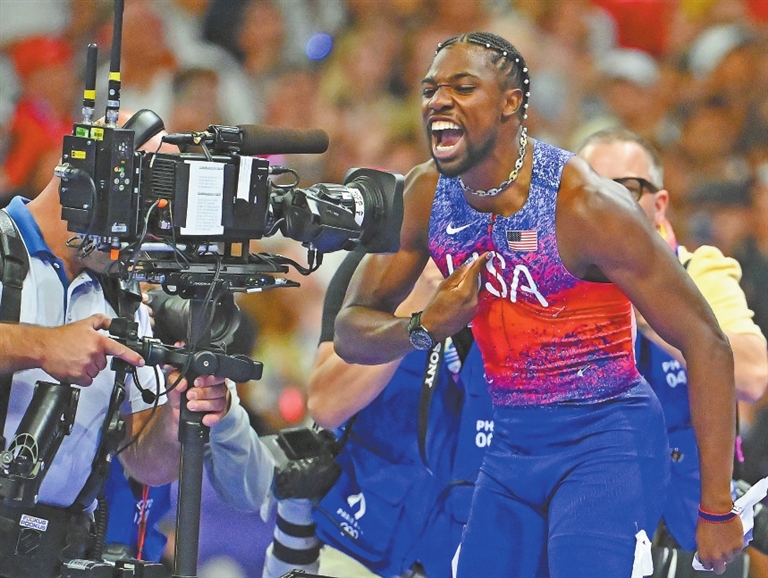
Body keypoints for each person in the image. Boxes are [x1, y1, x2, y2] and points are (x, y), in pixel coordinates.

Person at [332, 31, 742, 577]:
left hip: (607, 439)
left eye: (462, 87)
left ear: (510, 103)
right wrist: (423, 326)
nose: (438, 101)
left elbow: (707, 342)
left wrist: (717, 507)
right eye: (430, 90)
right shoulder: (425, 194)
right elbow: (350, 331)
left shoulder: (585, 205)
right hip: (512, 442)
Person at [0, 119, 233, 578]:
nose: (142, 240)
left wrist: (176, 415)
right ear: (84, 180)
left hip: (55, 551)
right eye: (139, 216)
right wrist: (42, 347)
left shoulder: (122, 293)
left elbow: (145, 461)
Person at [577, 127, 768, 577]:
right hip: (592, 513)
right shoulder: (550, 286)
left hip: (693, 517)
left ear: (659, 205)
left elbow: (752, 376)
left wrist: (648, 308)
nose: (606, 204)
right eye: (590, 190)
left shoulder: (699, 271)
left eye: (625, 188)